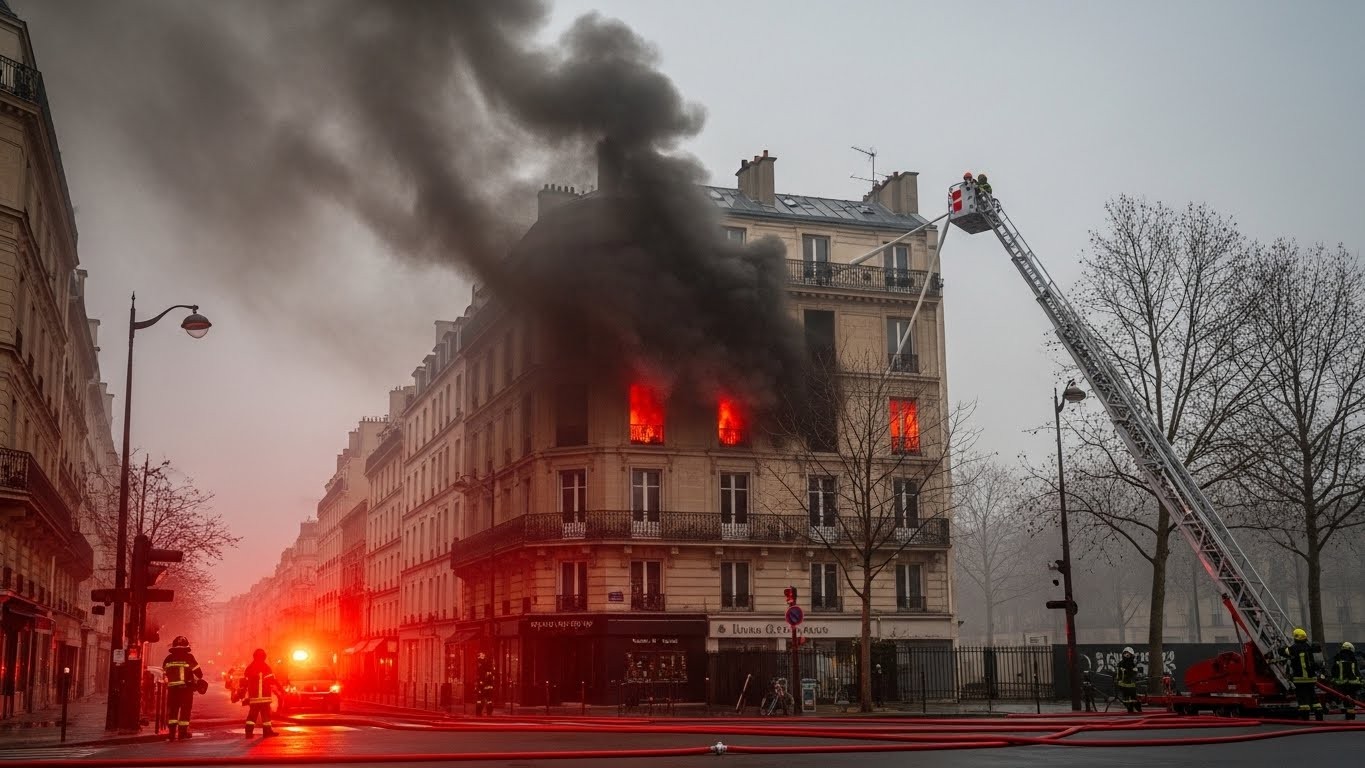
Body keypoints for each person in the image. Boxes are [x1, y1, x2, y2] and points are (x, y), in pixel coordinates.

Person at [163, 635, 205, 741]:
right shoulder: (189, 657)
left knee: (173, 711)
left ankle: (171, 734)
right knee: (185, 710)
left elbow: (164, 673)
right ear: (186, 646)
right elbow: (199, 674)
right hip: (186, 689)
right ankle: (182, 733)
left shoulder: (168, 658)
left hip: (172, 690)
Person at [1278, 627, 1323, 721]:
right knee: (1313, 697)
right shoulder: (1309, 647)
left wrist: (1280, 647)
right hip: (1311, 678)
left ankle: (1305, 717)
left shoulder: (1293, 648)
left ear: (1295, 638)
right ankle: (1319, 716)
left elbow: (1282, 652)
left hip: (1300, 679)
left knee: (1303, 699)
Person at [238, 648, 283, 737]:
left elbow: (244, 682)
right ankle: (267, 732)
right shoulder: (266, 668)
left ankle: (249, 733)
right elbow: (272, 680)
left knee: (252, 716)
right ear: (264, 657)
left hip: (254, 697)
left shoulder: (250, 668)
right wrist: (281, 689)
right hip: (265, 697)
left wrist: (242, 693)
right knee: (266, 716)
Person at [1330, 641, 1360, 721]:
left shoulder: (1337, 658)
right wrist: (1360, 681)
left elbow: (1334, 670)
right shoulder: (1353, 658)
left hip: (1341, 684)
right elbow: (1356, 671)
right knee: (1351, 700)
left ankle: (1346, 714)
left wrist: (1333, 679)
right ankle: (1351, 717)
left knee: (1344, 698)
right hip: (1352, 684)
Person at [1115, 647, 1142, 713]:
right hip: (1123, 685)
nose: (1127, 656)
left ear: (1131, 655)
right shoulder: (1121, 664)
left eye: (1128, 654)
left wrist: (1135, 673)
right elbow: (1118, 674)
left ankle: (1139, 711)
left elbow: (1134, 673)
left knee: (1134, 699)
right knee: (1126, 700)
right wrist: (1117, 681)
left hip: (1132, 685)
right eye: (1125, 654)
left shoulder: (1132, 664)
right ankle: (1130, 710)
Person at [474, 651, 496, 717]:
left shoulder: (482, 667)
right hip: (486, 687)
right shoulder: (485, 666)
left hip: (483, 686)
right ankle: (487, 712)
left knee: (481, 700)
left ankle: (480, 712)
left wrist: (479, 685)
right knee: (487, 700)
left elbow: (480, 677)